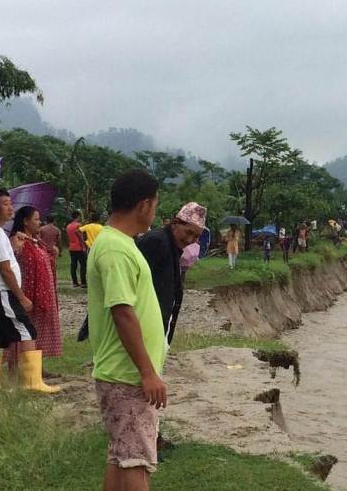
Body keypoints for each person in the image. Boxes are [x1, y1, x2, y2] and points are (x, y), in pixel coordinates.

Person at [87, 169, 166, 489]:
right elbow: (123, 313)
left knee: (122, 454)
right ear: (144, 205)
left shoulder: (119, 243)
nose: (155, 211)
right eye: (156, 204)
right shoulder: (116, 249)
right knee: (136, 460)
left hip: (123, 372)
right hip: (127, 374)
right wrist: (147, 373)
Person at [0, 188, 60, 393]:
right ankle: (31, 382)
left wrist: (14, 246)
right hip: (1, 291)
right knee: (27, 331)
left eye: (10, 203)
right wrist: (21, 296)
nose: (10, 207)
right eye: (5, 203)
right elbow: (5, 269)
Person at [136, 202, 205, 346]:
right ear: (175, 224)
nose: (190, 240)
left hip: (158, 322)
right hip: (143, 322)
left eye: (196, 236)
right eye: (188, 232)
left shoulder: (172, 246)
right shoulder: (156, 242)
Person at [3, 206, 63, 371]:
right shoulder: (17, 239)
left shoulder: (36, 241)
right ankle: (13, 369)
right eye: (36, 219)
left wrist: (53, 252)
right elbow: (12, 261)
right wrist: (17, 247)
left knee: (39, 330)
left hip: (43, 292)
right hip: (27, 293)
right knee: (22, 330)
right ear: (25, 221)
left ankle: (37, 368)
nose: (39, 222)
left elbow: (45, 260)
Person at [66, 211, 88, 287]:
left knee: (73, 265)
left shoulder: (68, 226)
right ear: (78, 216)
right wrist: (84, 246)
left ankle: (75, 282)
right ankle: (83, 282)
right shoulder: (78, 225)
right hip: (79, 248)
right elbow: (81, 237)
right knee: (83, 265)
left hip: (71, 247)